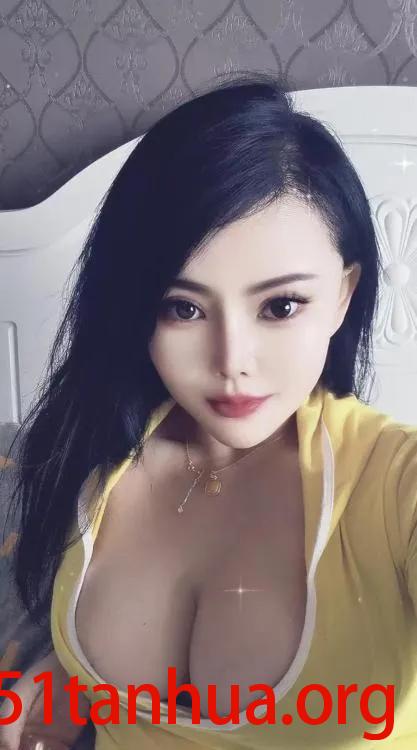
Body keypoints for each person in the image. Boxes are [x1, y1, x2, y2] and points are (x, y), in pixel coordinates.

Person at [1, 70, 417, 750]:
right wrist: (63, 676)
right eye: (183, 308)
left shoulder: (391, 482)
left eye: (280, 306)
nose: (231, 360)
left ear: (342, 296)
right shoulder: (82, 452)